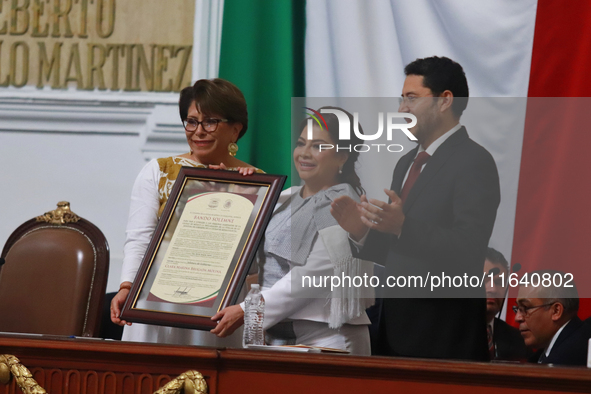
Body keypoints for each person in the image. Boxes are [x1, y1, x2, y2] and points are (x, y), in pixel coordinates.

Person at [331, 56, 500, 360]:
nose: (401, 109)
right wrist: (363, 233)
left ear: (445, 101)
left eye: (412, 98)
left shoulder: (474, 161)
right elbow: (398, 249)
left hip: (443, 337)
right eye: (401, 99)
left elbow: (469, 246)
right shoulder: (406, 162)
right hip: (394, 331)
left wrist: (401, 226)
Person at [210, 107, 373, 355]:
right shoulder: (284, 197)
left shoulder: (346, 203)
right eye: (300, 143)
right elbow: (243, 254)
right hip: (276, 338)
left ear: (342, 157)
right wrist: (230, 189)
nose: (304, 154)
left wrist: (248, 310)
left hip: (328, 340)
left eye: (318, 146)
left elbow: (312, 277)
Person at [110, 78, 260, 346]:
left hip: (218, 310)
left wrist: (239, 190)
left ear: (235, 130)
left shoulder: (258, 182)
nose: (198, 131)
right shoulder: (158, 171)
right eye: (191, 121)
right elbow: (139, 239)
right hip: (155, 302)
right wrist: (126, 287)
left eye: (210, 121)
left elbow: (261, 262)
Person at [515, 270, 591, 366]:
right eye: (517, 308)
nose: (517, 318)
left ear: (556, 311)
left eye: (525, 308)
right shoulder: (546, 353)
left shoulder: (571, 359)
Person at [484, 247, 529, 361]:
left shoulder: (518, 339)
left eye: (499, 282)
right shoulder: (447, 333)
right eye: (484, 280)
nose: (493, 289)